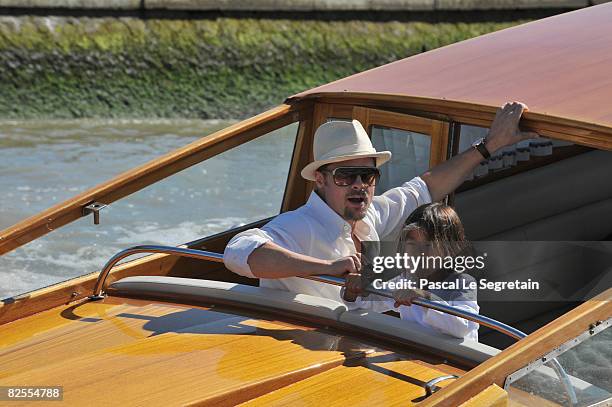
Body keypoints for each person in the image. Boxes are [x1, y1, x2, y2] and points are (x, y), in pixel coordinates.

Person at [223, 102, 535, 304]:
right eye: (346, 175)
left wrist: (491, 145)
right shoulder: (297, 226)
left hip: (364, 346)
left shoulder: (372, 215)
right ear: (320, 179)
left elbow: (427, 186)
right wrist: (329, 268)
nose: (359, 185)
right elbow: (239, 252)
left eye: (367, 175)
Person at [344, 202, 480, 340]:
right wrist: (355, 291)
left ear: (450, 250)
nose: (419, 253)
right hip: (415, 354)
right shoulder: (405, 280)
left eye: (429, 246)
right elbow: (368, 303)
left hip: (457, 358)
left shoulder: (463, 282)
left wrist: (424, 297)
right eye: (412, 244)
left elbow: (463, 326)